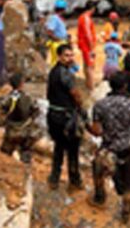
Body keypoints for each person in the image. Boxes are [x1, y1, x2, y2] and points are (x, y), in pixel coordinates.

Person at [89, 72, 130, 223]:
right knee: (129, 181)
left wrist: (87, 126)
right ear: (124, 86)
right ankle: (126, 213)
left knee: (98, 170)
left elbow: (97, 132)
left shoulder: (100, 105)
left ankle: (99, 196)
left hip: (109, 148)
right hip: (129, 147)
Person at [46, 44, 85, 191]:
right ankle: (74, 180)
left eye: (71, 55)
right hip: (66, 117)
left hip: (53, 115)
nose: (70, 58)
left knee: (59, 148)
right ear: (60, 56)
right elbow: (75, 94)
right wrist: (81, 108)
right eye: (67, 56)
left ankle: (54, 178)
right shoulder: (65, 74)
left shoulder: (53, 72)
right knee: (73, 150)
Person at [0, 73, 41, 164]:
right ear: (21, 84)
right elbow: (36, 110)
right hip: (25, 130)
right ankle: (26, 161)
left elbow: (1, 110)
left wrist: (5, 121)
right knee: (26, 148)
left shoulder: (8, 97)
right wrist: (31, 119)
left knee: (5, 151)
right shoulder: (28, 97)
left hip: (11, 130)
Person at [77, 5, 98, 90]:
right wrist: (92, 48)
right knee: (90, 67)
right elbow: (88, 33)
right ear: (92, 9)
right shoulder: (86, 18)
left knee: (87, 65)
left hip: (84, 45)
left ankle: (88, 84)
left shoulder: (82, 17)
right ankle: (91, 87)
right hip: (87, 46)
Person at [45, 0, 69, 67]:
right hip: (57, 43)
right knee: (56, 62)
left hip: (62, 42)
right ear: (63, 9)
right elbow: (49, 32)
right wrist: (58, 40)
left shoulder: (59, 18)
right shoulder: (54, 18)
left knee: (63, 61)